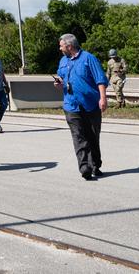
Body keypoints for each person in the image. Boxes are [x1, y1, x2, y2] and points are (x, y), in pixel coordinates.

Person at [54, 34, 108, 180]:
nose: (60, 49)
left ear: (69, 46)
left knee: (93, 136)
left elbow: (100, 79)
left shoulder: (88, 58)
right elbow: (61, 78)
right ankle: (84, 167)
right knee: (79, 137)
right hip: (71, 105)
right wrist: (58, 83)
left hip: (91, 105)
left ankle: (95, 164)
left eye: (61, 46)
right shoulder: (63, 61)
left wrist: (103, 98)